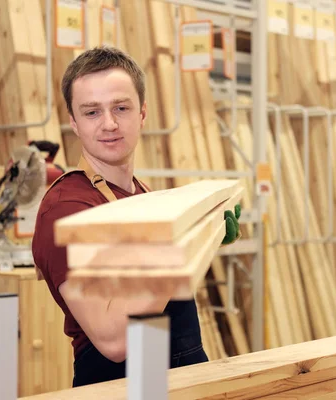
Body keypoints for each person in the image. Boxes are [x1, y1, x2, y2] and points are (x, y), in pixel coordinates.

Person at [31, 46, 238, 387]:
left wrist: (208, 230)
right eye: (92, 112)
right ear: (74, 122)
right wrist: (186, 244)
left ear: (142, 113)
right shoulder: (67, 211)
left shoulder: (145, 197)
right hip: (118, 386)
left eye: (121, 108)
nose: (109, 123)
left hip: (173, 381)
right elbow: (114, 341)